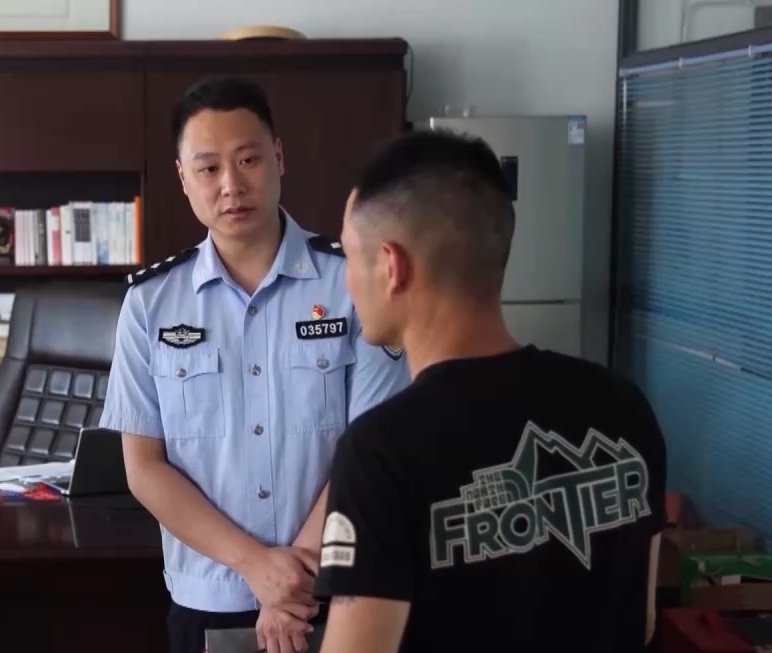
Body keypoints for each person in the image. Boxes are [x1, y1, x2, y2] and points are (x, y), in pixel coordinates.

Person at [314, 129, 667, 653]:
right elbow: (644, 622)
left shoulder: (380, 453)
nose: (345, 280)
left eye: (349, 256)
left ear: (391, 266)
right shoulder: (624, 407)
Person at [99, 75, 411, 653]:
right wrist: (255, 565)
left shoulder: (352, 284)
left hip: (339, 594)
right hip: (208, 596)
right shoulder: (150, 303)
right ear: (183, 178)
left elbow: (374, 447)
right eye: (208, 168)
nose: (231, 185)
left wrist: (292, 582)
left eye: (248, 160)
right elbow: (143, 468)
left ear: (279, 158)